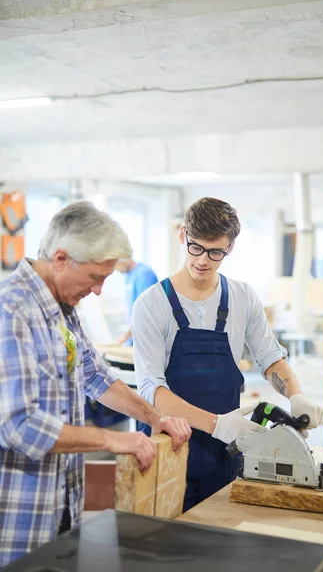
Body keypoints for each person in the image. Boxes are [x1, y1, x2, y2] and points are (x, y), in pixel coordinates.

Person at [0, 201, 191, 568]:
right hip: (19, 516)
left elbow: (93, 373)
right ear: (60, 259)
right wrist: (110, 439)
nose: (100, 290)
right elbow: (18, 426)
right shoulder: (12, 312)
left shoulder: (62, 311)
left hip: (61, 508)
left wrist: (154, 416)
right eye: (95, 278)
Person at [132, 197, 323, 511]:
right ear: (183, 235)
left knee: (221, 541)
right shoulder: (151, 305)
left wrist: (296, 395)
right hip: (169, 446)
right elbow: (153, 391)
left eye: (215, 252)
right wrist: (218, 424)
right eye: (196, 247)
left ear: (230, 248)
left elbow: (269, 356)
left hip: (225, 450)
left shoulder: (242, 297)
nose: (203, 260)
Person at [116, 258, 158, 345]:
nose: (116, 269)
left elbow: (145, 311)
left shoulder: (145, 274)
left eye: (116, 265)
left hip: (145, 336)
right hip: (134, 335)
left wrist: (124, 337)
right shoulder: (128, 276)